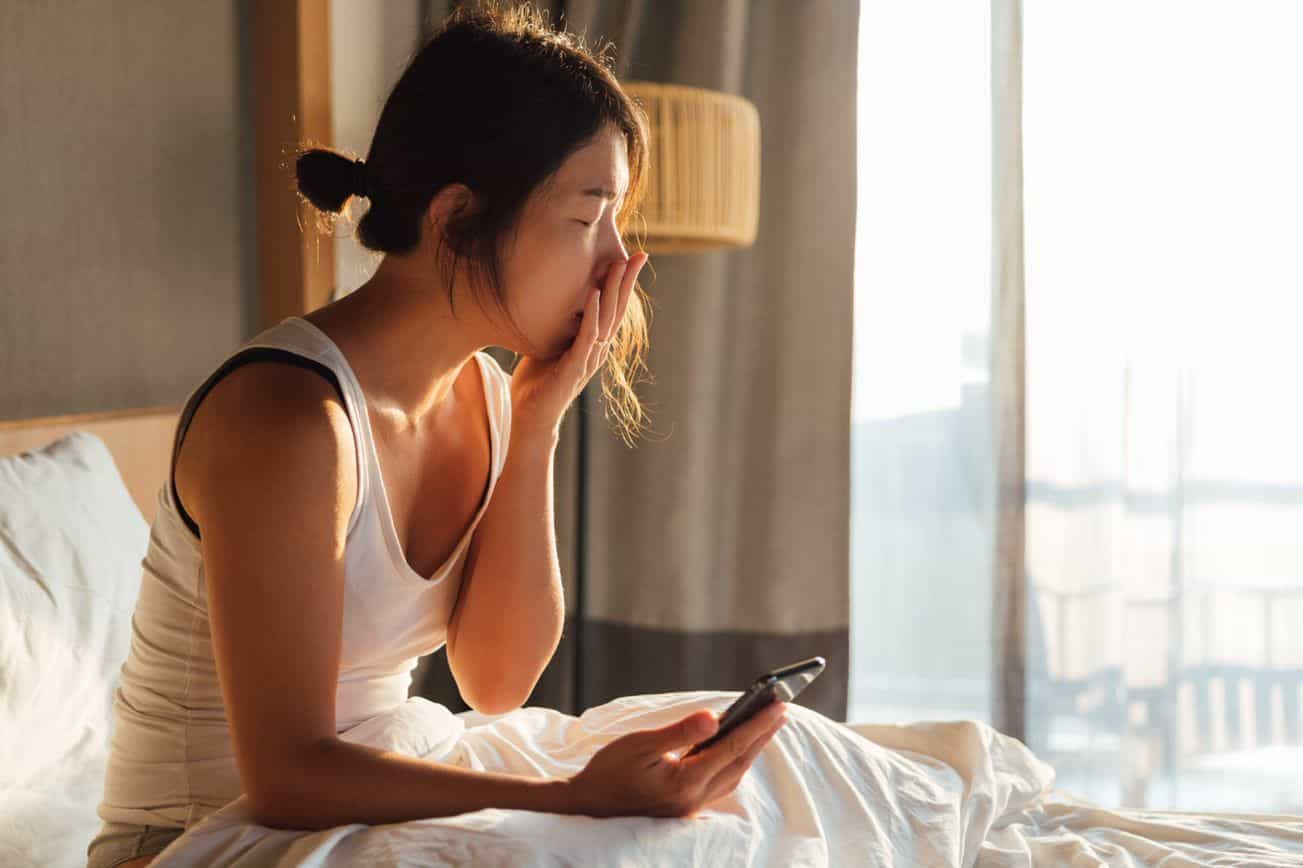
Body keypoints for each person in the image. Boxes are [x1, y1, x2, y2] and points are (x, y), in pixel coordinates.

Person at [86, 2, 787, 866]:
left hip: (379, 781)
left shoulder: (486, 395)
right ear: (457, 220)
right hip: (204, 833)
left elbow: (496, 683)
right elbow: (286, 776)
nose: (617, 261)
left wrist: (534, 426)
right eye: (586, 216)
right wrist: (570, 798)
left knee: (767, 790)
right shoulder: (290, 423)